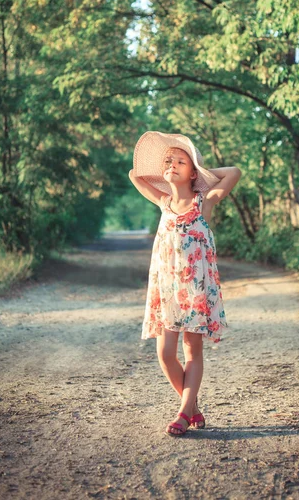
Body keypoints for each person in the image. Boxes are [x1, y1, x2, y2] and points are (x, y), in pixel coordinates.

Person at [129, 131, 241, 436]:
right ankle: (192, 407)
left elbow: (233, 173)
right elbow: (135, 176)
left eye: (181, 161)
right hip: (167, 291)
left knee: (192, 352)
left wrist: (201, 172)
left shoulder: (204, 202)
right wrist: (167, 168)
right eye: (169, 161)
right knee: (165, 354)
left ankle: (182, 413)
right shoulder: (163, 201)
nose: (173, 164)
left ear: (193, 172)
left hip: (195, 290)